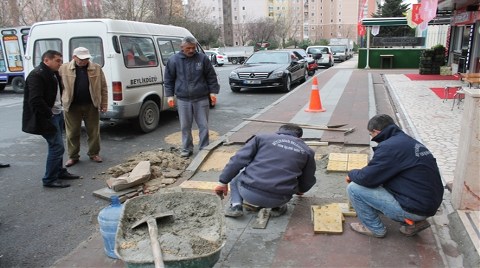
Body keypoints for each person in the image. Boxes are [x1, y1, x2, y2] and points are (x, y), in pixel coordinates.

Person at [346, 114, 444, 238]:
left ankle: (374, 229)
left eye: (371, 135)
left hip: (416, 206)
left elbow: (367, 179)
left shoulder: (389, 147)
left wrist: (351, 173)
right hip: (428, 203)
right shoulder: (405, 140)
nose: (373, 138)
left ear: (376, 131)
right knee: (378, 182)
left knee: (354, 189)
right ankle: (414, 222)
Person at [213, 124, 317, 217]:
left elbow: (237, 161)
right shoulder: (307, 151)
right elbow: (308, 179)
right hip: (281, 198)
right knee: (290, 180)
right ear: (299, 137)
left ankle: (235, 206)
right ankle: (277, 207)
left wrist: (222, 182)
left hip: (249, 194)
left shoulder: (262, 138)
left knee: (237, 175)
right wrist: (301, 189)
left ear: (279, 131)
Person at [22, 50, 80, 188]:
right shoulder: (37, 75)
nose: (60, 63)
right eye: (57, 61)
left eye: (61, 60)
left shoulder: (52, 73)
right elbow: (35, 100)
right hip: (48, 117)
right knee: (57, 147)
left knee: (57, 146)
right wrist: (49, 114)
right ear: (47, 60)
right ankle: (49, 179)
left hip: (57, 114)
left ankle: (59, 171)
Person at [164, 36, 220, 157]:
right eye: (188, 48)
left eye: (193, 48)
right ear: (182, 48)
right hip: (183, 99)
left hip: (201, 98)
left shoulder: (202, 59)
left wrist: (213, 92)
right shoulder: (174, 60)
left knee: (203, 125)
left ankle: (204, 148)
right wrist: (169, 95)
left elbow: (211, 76)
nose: (191, 50)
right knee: (185, 126)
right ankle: (187, 148)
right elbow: (169, 79)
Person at [59, 47, 108, 167]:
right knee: (72, 133)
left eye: (86, 58)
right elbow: (59, 87)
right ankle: (73, 156)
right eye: (81, 59)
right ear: (74, 57)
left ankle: (94, 153)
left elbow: (103, 88)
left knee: (93, 131)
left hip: (91, 104)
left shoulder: (96, 68)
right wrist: (61, 101)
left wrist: (104, 104)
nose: (84, 61)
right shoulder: (63, 68)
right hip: (72, 106)